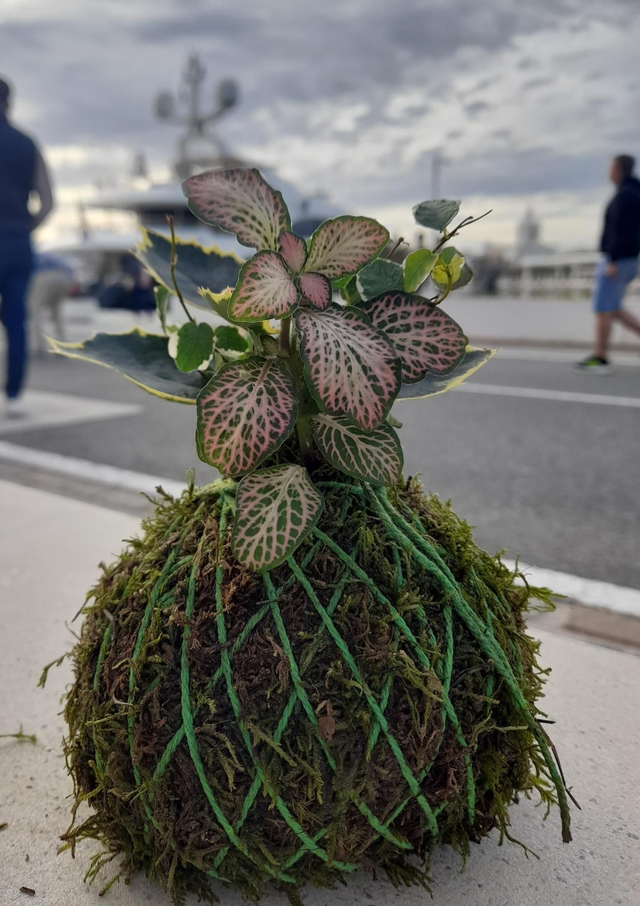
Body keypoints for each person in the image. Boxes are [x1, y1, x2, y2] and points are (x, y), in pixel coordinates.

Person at [0, 77, 54, 415]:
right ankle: (14, 391)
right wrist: (25, 227)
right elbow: (47, 201)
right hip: (19, 242)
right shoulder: (27, 143)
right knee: (16, 316)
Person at [575, 154, 640, 373]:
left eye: (611, 168)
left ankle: (600, 357)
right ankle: (600, 355)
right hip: (625, 258)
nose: (608, 173)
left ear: (619, 170)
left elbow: (621, 231)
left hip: (617, 259)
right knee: (612, 308)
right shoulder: (632, 192)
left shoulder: (627, 195)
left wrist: (612, 259)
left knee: (604, 308)